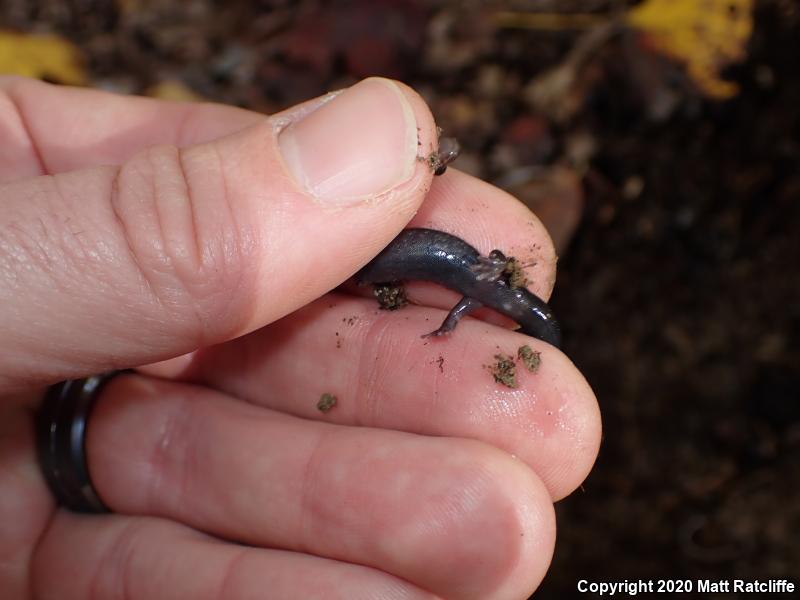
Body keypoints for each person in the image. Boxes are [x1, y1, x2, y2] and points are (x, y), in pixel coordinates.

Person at [0, 76, 601, 599]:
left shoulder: (474, 290)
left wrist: (450, 323)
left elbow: (467, 306)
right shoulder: (465, 288)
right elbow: (459, 303)